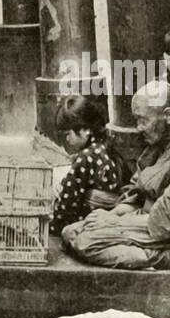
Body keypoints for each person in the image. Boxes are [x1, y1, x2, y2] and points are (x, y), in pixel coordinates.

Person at [61, 80, 170, 270]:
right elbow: (137, 190)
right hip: (146, 219)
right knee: (70, 232)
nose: (139, 127)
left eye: (143, 120)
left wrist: (115, 222)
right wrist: (111, 214)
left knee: (86, 242)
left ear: (167, 115)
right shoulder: (164, 136)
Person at [49, 94, 125, 236]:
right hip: (106, 214)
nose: (67, 139)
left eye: (68, 134)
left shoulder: (86, 158)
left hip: (89, 219)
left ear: (86, 130)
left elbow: (67, 203)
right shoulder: (104, 145)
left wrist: (52, 224)